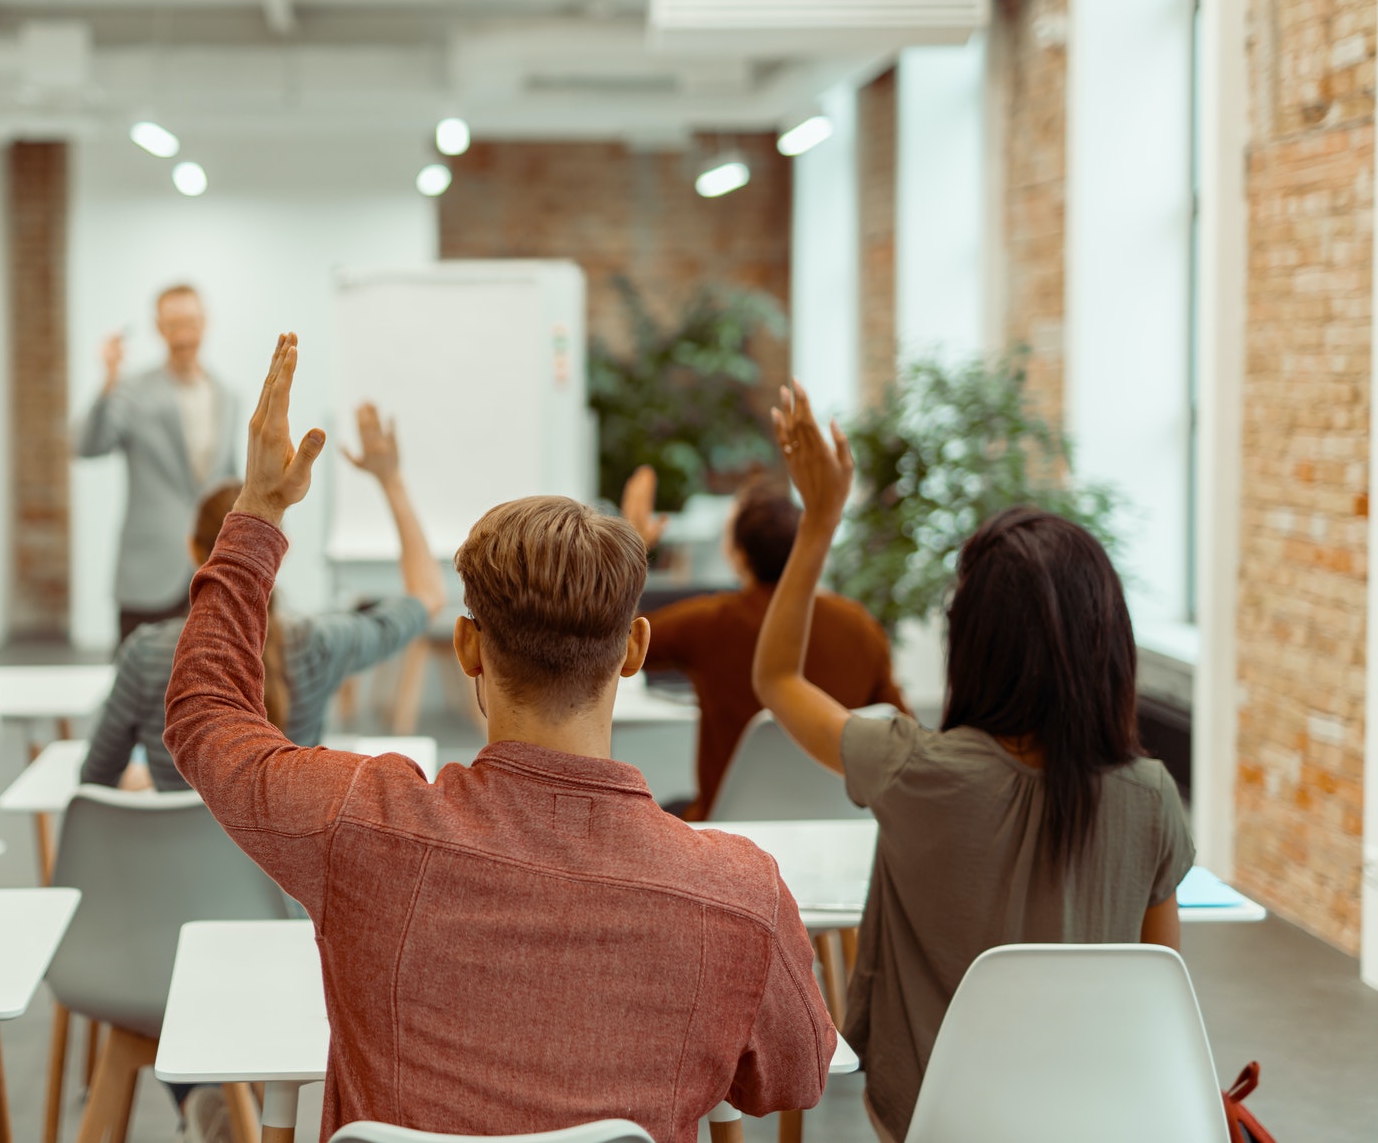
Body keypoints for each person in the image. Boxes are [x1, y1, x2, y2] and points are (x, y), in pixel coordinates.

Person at [164, 334, 834, 1143]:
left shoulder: (360, 822)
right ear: (634, 650)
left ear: (469, 646)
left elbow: (205, 715)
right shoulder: (741, 895)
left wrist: (258, 513)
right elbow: (796, 1074)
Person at [751, 381, 1193, 1143]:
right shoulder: (1151, 796)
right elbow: (1160, 1003)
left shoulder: (911, 769)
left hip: (939, 1123)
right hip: (1099, 1121)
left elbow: (777, 679)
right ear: (1108, 641)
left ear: (974, 642)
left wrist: (820, 520)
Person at [82, 402, 443, 790]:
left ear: (192, 550)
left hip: (174, 849)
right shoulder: (318, 643)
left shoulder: (146, 655)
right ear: (278, 551)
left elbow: (95, 779)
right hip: (280, 853)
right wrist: (391, 481)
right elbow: (428, 595)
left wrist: (151, 785)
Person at [621, 468, 905, 818]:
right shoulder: (860, 626)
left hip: (726, 829)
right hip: (837, 823)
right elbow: (900, 732)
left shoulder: (710, 622)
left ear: (739, 555)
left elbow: (619, 645)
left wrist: (630, 550)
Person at [78, 284, 242, 643]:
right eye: (174, 324)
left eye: (191, 322)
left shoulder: (228, 396)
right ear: (159, 328)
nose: (183, 334)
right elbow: (88, 445)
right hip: (147, 575)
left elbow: (231, 481)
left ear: (205, 323)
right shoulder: (131, 390)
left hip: (211, 568)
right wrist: (108, 382)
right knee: (137, 686)